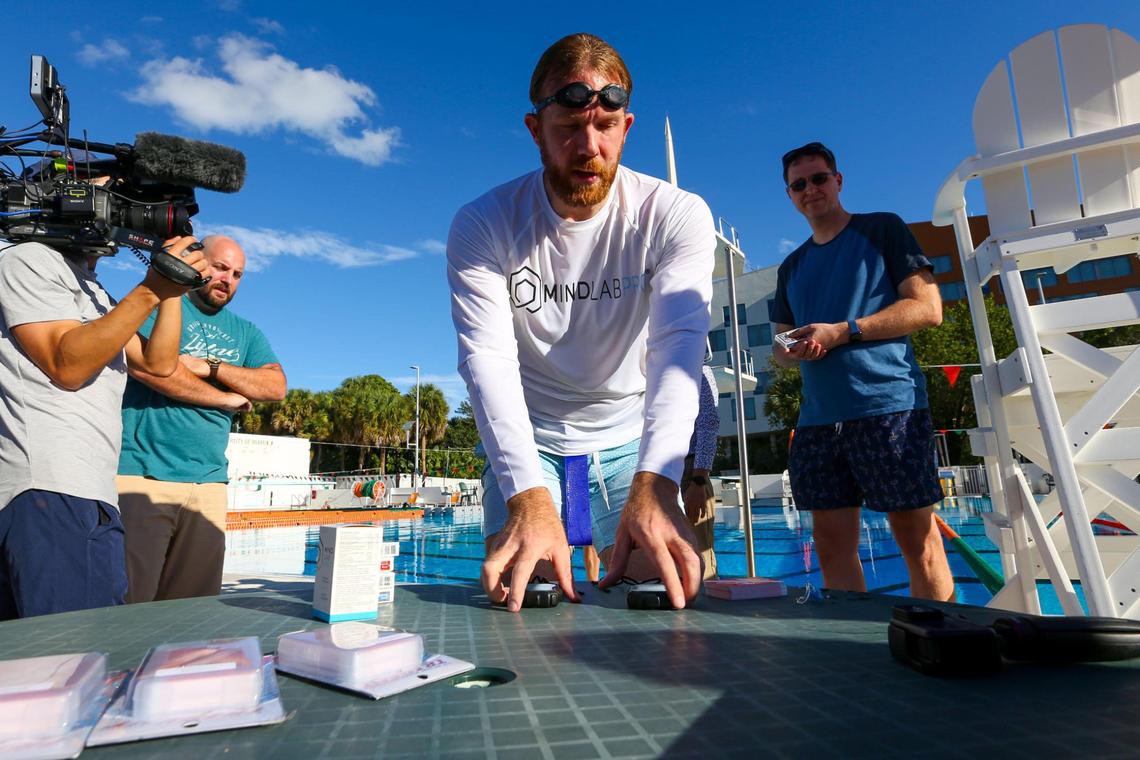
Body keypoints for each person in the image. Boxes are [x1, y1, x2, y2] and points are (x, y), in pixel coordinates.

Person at [447, 33, 715, 612]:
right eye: (568, 126)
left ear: (627, 127)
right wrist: (525, 491)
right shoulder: (484, 223)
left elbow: (678, 348)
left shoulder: (673, 213)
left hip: (631, 436)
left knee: (662, 593)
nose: (588, 146)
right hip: (531, 436)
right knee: (524, 594)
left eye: (605, 125)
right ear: (534, 128)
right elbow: (485, 361)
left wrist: (659, 480)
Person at [770, 141, 955, 601]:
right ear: (789, 195)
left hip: (888, 408)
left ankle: (940, 644)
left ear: (838, 180)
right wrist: (795, 349)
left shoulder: (882, 230)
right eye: (799, 184)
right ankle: (853, 645)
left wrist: (842, 331)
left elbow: (928, 308)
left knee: (919, 546)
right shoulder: (791, 267)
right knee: (832, 550)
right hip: (818, 421)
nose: (809, 189)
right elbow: (779, 346)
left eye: (818, 178)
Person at [0, 235, 208, 619]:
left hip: (79, 489)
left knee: (54, 660)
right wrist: (151, 289)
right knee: (71, 655)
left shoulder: (90, 288)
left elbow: (156, 362)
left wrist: (173, 288)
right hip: (51, 487)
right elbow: (68, 366)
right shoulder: (29, 258)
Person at [117, 235, 285, 603]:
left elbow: (274, 386)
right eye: (221, 268)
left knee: (191, 612)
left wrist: (209, 366)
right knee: (129, 606)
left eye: (238, 274)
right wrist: (225, 398)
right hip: (144, 475)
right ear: (197, 262)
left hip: (209, 482)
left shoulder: (246, 332)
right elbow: (150, 369)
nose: (228, 280)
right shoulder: (158, 303)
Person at [681, 361, 719, 579]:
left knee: (699, 552)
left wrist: (699, 479)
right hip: (661, 470)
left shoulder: (699, 371)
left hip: (690, 469)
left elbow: (708, 422)